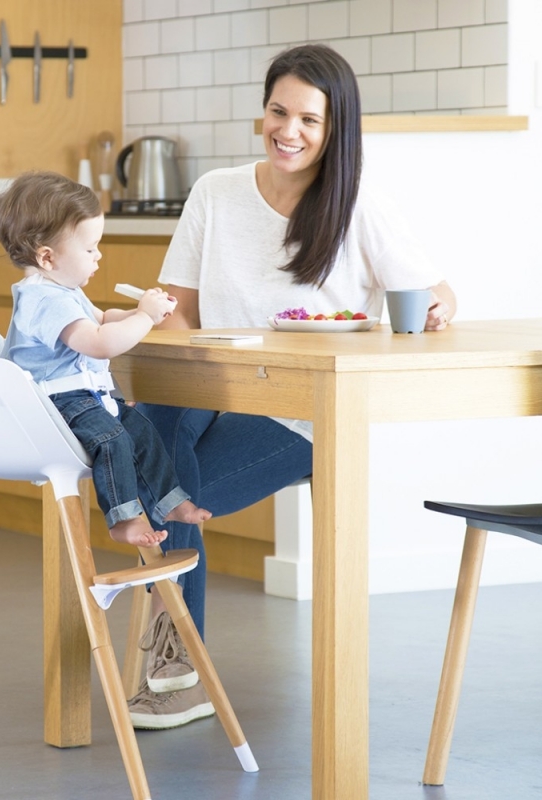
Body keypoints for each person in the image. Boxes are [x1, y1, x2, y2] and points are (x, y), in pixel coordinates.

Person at [126, 43, 457, 729]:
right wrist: (156, 326)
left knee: (151, 477)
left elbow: (431, 289)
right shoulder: (216, 192)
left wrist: (439, 304)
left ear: (336, 129)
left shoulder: (357, 203)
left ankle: (175, 660)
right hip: (211, 388)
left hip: (303, 411)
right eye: (279, 111)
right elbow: (181, 307)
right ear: (264, 110)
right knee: (157, 413)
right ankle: (179, 656)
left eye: (310, 119)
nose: (290, 130)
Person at [0, 171, 212, 551]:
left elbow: (102, 320)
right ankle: (123, 520)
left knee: (142, 431)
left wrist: (142, 312)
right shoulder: (43, 300)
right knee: (113, 440)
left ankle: (169, 502)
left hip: (86, 398)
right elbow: (98, 344)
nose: (99, 256)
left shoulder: (65, 291)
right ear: (48, 256)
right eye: (91, 248)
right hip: (56, 404)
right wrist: (143, 318)